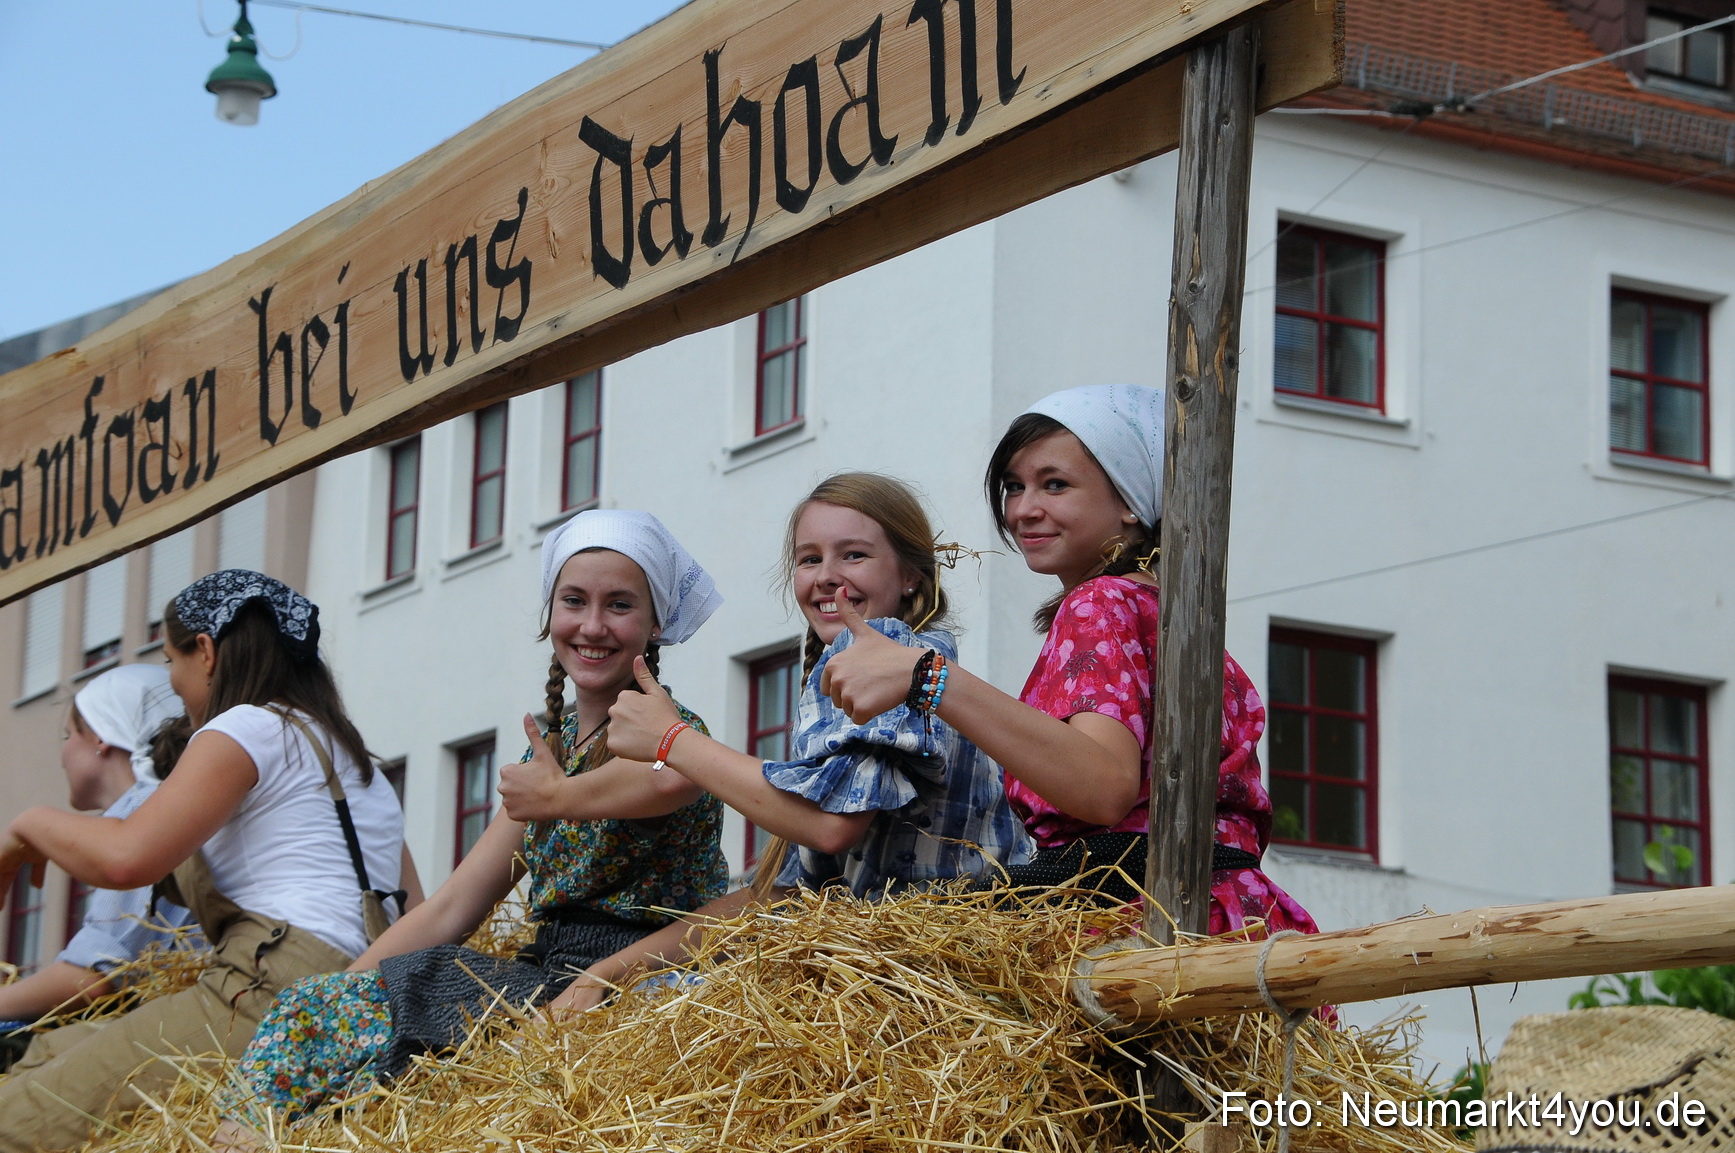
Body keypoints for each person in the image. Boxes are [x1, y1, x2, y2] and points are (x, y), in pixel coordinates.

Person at [215, 509, 728, 1134]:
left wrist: (560, 796)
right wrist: (332, 999)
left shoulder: (677, 735)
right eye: (574, 601)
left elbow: (670, 777)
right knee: (328, 1027)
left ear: (654, 626)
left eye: (619, 605)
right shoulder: (550, 751)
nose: (593, 626)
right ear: (549, 615)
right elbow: (454, 905)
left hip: (647, 975)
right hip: (545, 973)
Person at [821, 385, 1320, 937]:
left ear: (1131, 499)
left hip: (1145, 928)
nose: (1022, 509)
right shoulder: (1161, 608)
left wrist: (927, 676)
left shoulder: (1100, 602)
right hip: (1222, 912)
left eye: (1054, 484)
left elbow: (1102, 787)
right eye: (1014, 486)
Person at [551, 473, 1032, 1012]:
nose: (826, 577)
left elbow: (830, 827)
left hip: (928, 967)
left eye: (853, 555)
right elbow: (772, 895)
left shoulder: (890, 654)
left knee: (672, 1015)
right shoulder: (870, 666)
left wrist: (672, 740)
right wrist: (606, 974)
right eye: (809, 560)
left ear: (912, 577)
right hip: (927, 954)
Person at [0, 570, 406, 1152]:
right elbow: (404, 900)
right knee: (44, 1056)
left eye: (170, 660)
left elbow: (124, 860)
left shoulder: (245, 727)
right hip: (344, 993)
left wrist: (27, 826)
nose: (172, 681)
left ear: (207, 652)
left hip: (269, 988)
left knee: (24, 1117)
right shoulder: (347, 757)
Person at [0, 666, 200, 1054]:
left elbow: (95, 978)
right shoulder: (170, 806)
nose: (62, 754)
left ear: (100, 738)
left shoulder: (142, 811)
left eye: (68, 735)